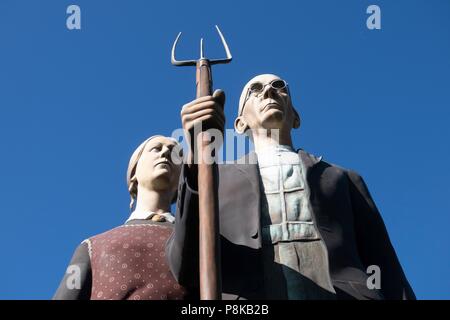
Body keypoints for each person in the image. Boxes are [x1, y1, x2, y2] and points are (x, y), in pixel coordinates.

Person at [167, 74, 416, 300]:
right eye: (255, 89)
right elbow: (185, 267)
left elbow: (386, 267)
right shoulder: (214, 178)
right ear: (240, 124)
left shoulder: (341, 178)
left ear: (296, 117)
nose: (268, 92)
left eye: (279, 86)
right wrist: (197, 158)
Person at [54, 135, 188, 300]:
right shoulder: (91, 247)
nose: (166, 153)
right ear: (134, 172)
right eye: (156, 148)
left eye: (176, 154)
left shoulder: (198, 242)